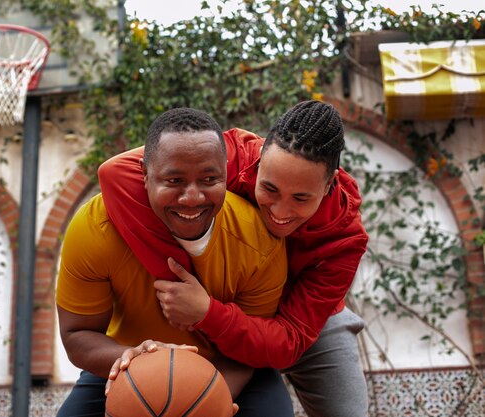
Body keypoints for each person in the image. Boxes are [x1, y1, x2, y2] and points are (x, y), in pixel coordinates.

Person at [99, 100, 370, 417]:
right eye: (269, 188)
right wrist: (181, 280)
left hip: (304, 323)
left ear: (328, 184)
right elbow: (116, 171)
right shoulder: (234, 155)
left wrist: (206, 312)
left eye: (301, 198)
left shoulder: (346, 240)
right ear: (259, 161)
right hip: (231, 298)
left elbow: (288, 341)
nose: (280, 212)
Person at [55, 107, 293, 417]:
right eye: (174, 180)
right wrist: (130, 356)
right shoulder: (95, 228)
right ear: (145, 173)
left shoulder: (258, 240)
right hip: (125, 363)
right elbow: (77, 335)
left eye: (209, 179)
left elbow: (251, 345)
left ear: (226, 170)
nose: (192, 197)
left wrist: (201, 399)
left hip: (229, 364)